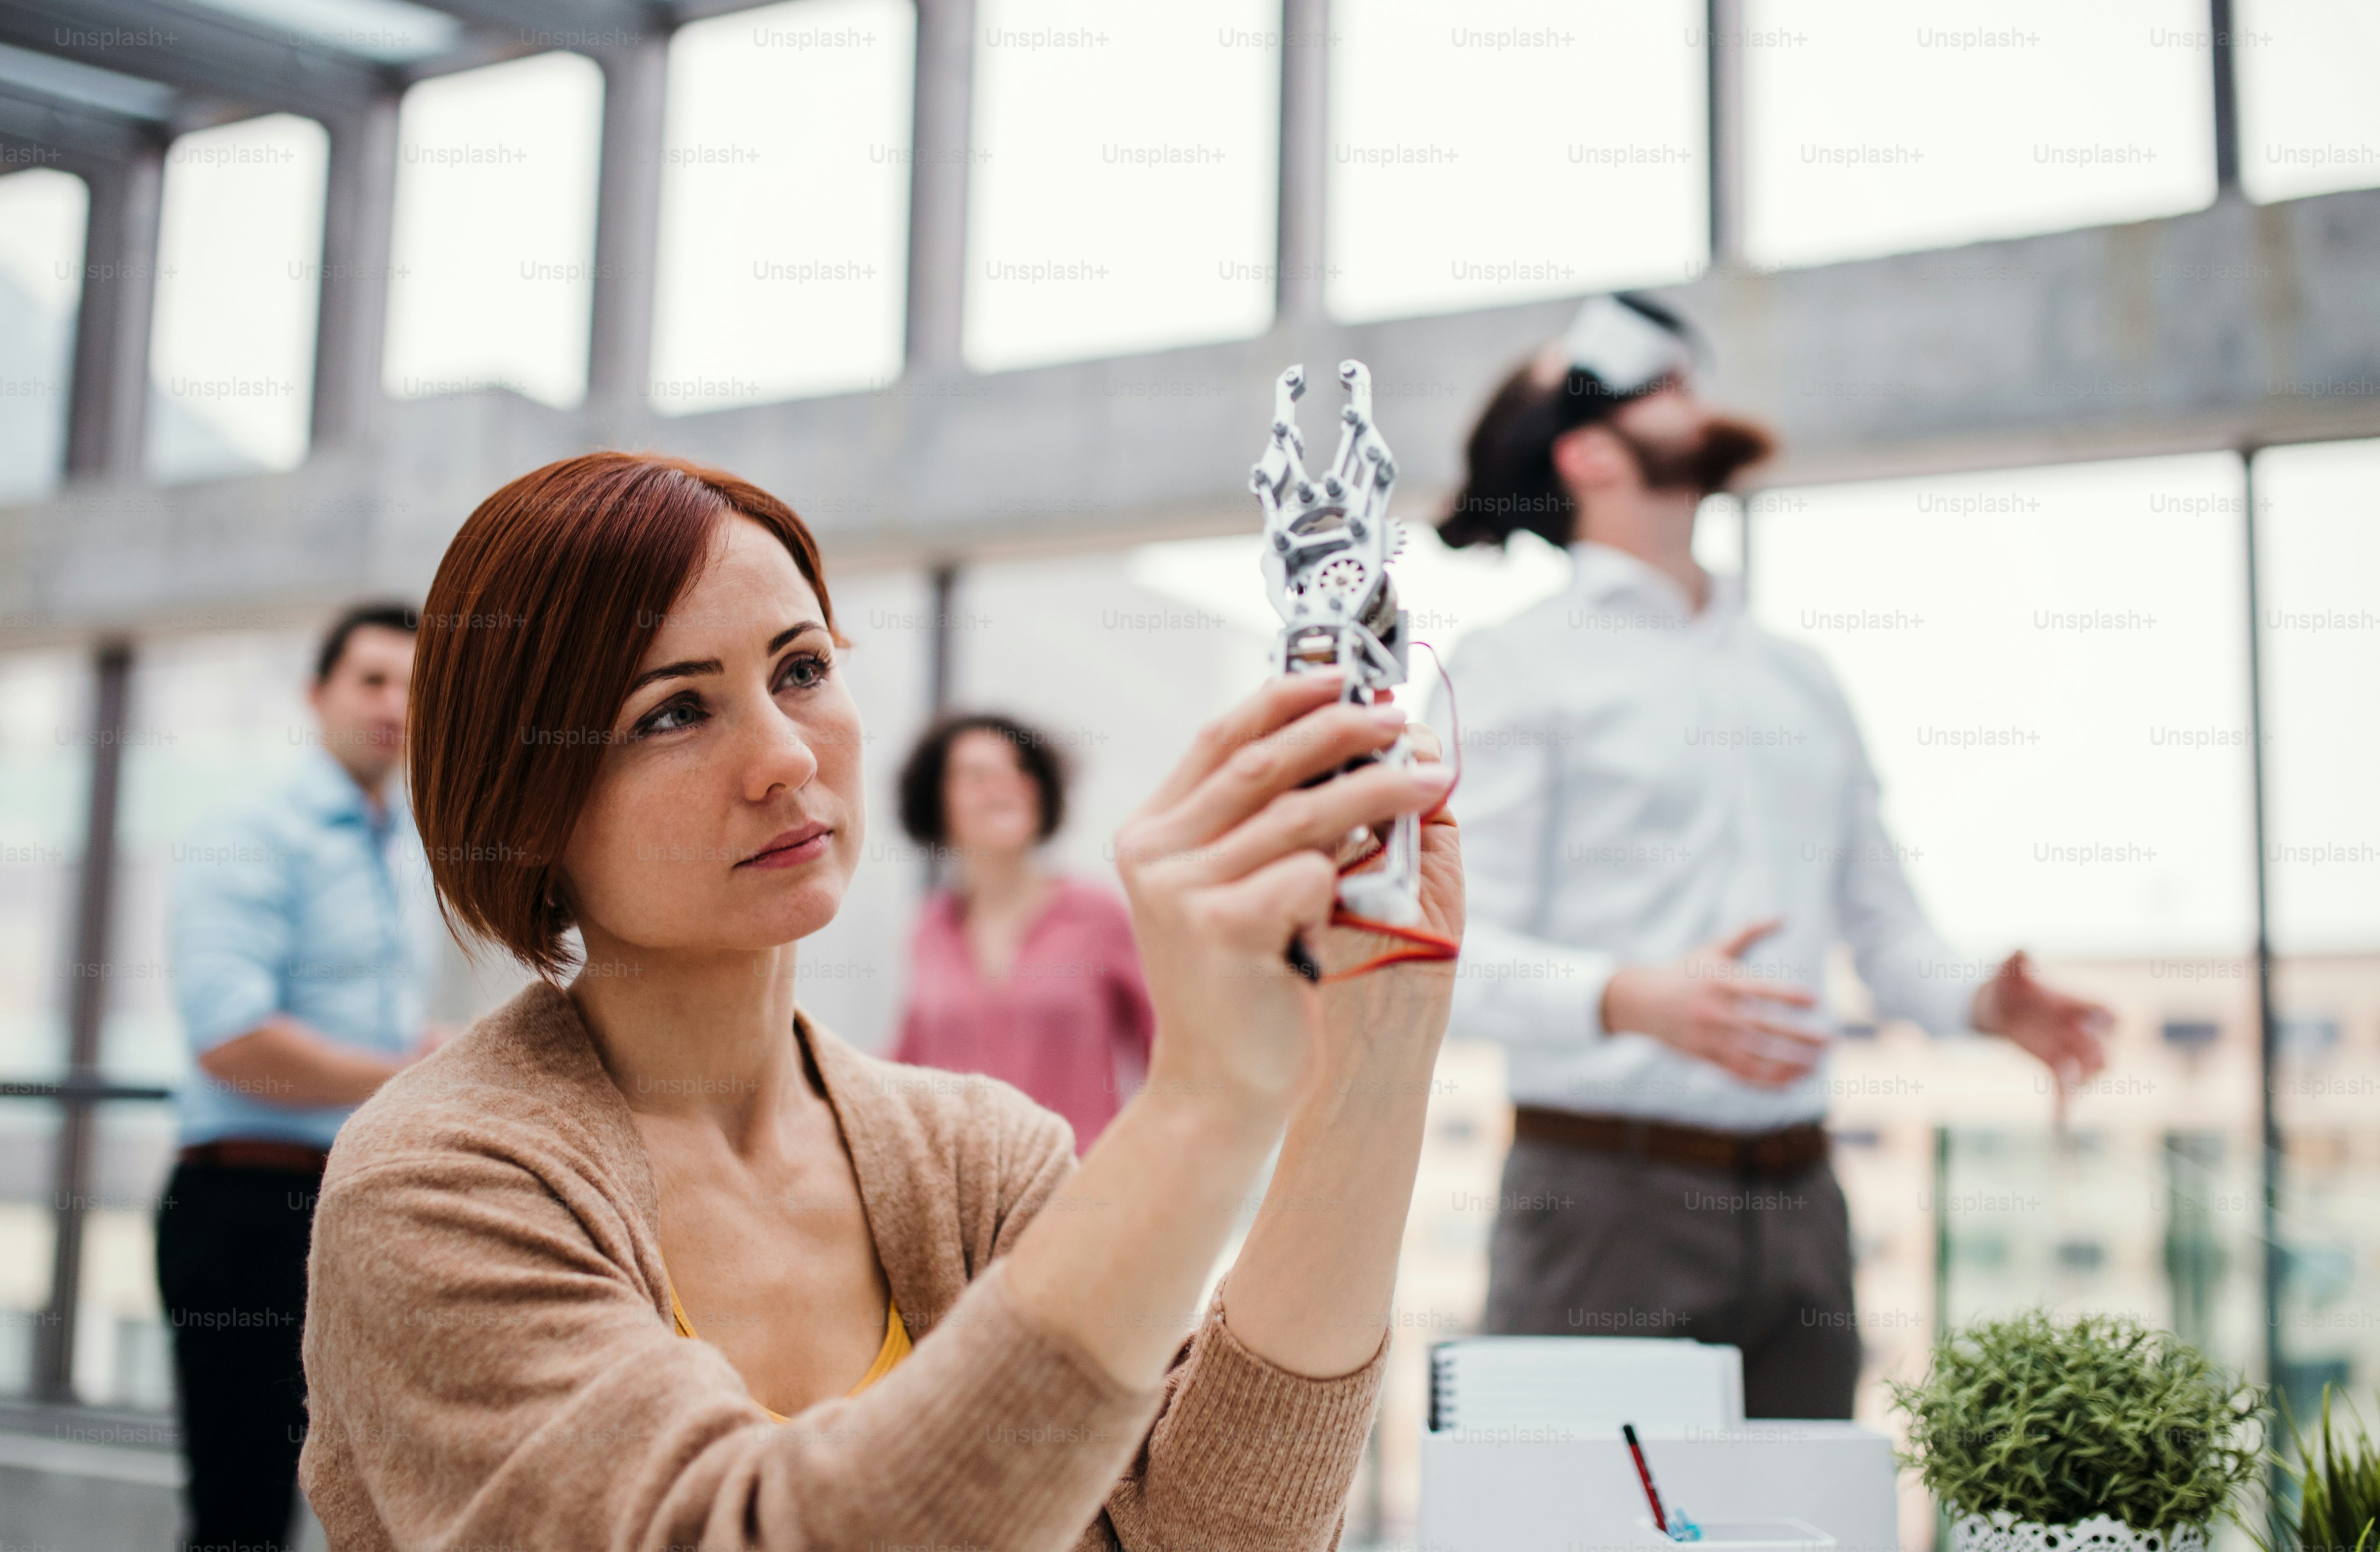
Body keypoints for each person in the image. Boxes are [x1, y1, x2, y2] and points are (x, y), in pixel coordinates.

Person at [298, 452, 1465, 1552]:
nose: (787, 759)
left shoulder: (978, 1153)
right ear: (525, 797)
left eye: (801, 669)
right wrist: (1201, 1105)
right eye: (673, 711)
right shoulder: (433, 1181)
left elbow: (1205, 1530)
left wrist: (1381, 1034)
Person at [1434, 293, 2113, 1419]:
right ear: (1587, 452)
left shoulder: (1796, 678)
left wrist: (1982, 1002)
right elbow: (1440, 950)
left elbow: (1883, 929)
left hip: (1800, 1202)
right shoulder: (1508, 669)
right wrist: (1625, 997)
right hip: (1602, 1206)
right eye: (1662, 386)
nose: (1694, 396)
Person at [158, 601, 447, 1552]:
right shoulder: (253, 832)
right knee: (243, 1511)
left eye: (413, 685)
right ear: (315, 694)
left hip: (355, 1202)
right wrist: (408, 1075)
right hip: (244, 1204)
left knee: (369, 1503)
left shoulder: (402, 844)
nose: (393, 704)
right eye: (371, 679)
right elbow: (232, 1038)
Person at [893, 713, 1154, 1151]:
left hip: (1078, 1196)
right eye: (977, 775)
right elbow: (909, 1065)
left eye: (1019, 769)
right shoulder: (929, 927)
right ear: (939, 803)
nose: (1006, 784)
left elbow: (1167, 1049)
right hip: (960, 1200)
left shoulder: (1097, 913)